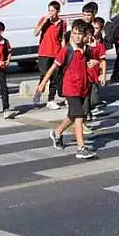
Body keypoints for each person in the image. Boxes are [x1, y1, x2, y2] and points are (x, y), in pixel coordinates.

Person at [37, 20, 97, 160]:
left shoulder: (86, 50)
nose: (77, 36)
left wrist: (95, 63)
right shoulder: (67, 50)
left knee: (72, 115)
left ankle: (57, 133)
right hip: (70, 88)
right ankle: (81, 148)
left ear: (84, 35)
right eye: (74, 33)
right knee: (79, 115)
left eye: (80, 34)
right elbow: (53, 67)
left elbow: (90, 63)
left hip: (83, 87)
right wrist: (43, 83)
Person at [34, 1, 68, 110]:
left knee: (54, 77)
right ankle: (38, 91)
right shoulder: (44, 20)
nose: (50, 13)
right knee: (44, 75)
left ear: (58, 11)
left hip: (56, 52)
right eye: (49, 10)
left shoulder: (62, 23)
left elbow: (62, 38)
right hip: (44, 52)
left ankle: (51, 99)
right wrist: (44, 21)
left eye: (52, 10)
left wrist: (63, 51)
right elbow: (36, 32)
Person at [84, 16, 108, 120]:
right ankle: (85, 115)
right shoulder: (82, 45)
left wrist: (103, 75)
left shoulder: (99, 45)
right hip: (83, 75)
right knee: (85, 98)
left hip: (94, 75)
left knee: (94, 99)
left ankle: (88, 109)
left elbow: (103, 61)